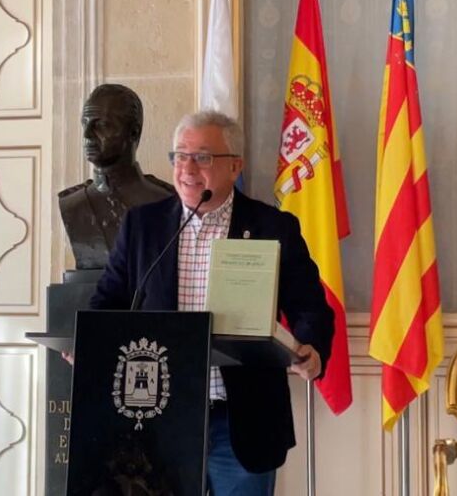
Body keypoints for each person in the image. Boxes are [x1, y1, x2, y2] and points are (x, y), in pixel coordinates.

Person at [88, 110, 334, 495]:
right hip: (159, 417)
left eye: (202, 157)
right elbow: (107, 302)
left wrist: (311, 347)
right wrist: (84, 343)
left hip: (242, 421)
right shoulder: (143, 227)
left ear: (234, 166)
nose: (187, 167)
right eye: (179, 155)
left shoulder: (272, 227)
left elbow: (311, 307)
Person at [58, 84, 175, 270]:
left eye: (101, 125)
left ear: (133, 132)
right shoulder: (72, 205)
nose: (87, 135)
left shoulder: (167, 201)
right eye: (85, 124)